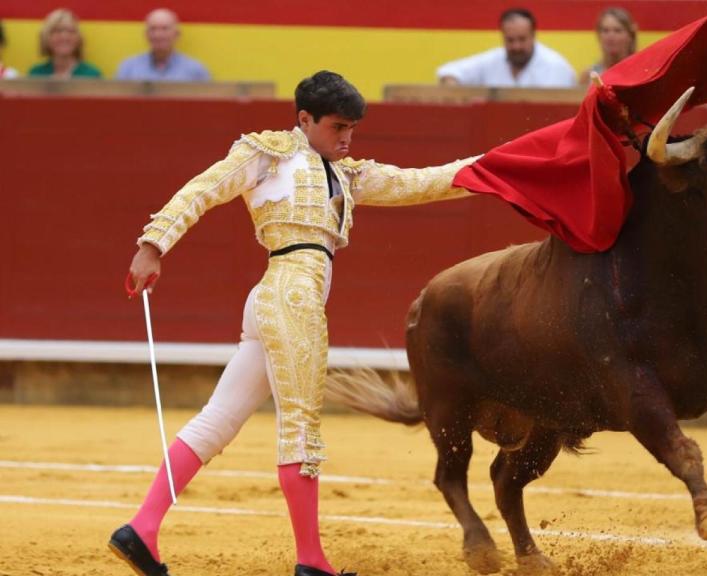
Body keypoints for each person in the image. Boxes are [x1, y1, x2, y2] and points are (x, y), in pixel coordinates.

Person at [109, 70, 478, 576]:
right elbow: (204, 189)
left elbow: (422, 182)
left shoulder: (348, 175)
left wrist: (495, 167)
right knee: (300, 426)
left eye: (352, 129)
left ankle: (142, 530)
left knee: (218, 420)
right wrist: (153, 244)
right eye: (337, 127)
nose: (346, 139)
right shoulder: (269, 154)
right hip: (293, 295)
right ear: (305, 119)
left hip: (275, 298)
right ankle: (311, 561)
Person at [437, 8, 576, 88]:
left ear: (533, 36)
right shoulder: (493, 60)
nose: (516, 46)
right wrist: (455, 94)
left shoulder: (556, 66)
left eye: (522, 39)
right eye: (510, 40)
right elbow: (449, 72)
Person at [115, 8, 211, 82]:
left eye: (165, 29)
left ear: (177, 34)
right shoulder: (128, 68)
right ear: (146, 35)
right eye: (153, 29)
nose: (158, 35)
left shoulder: (195, 70)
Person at [28, 8, 102, 78]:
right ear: (46, 37)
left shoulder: (92, 76)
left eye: (71, 31)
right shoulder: (36, 74)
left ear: (79, 39)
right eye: (57, 31)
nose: (64, 37)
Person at [579, 7, 637, 84]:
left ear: (630, 36)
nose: (610, 36)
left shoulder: (640, 73)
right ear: (598, 35)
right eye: (605, 30)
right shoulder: (588, 76)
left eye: (617, 30)